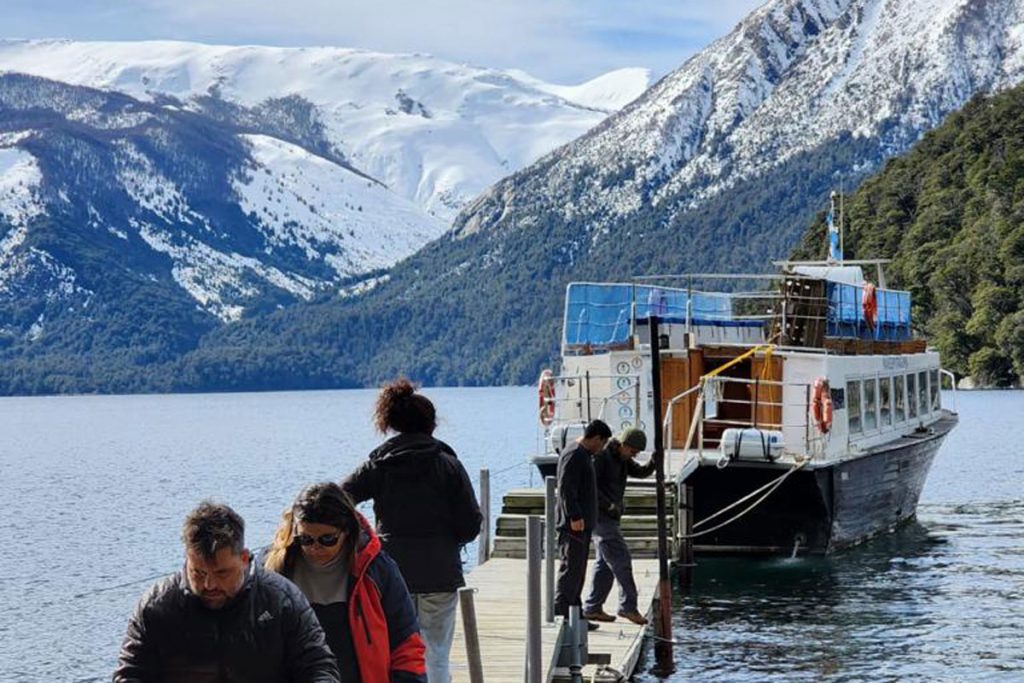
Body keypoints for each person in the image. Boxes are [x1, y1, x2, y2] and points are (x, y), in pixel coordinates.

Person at [342, 378, 482, 683]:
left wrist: (362, 540)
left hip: (389, 573)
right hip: (440, 571)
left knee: (394, 653)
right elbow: (471, 523)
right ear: (431, 425)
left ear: (392, 423)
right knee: (436, 654)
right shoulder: (448, 465)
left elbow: (338, 500)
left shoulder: (379, 465)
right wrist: (450, 539)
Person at [114, 501, 339, 683]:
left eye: (222, 573)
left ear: (244, 558)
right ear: (187, 558)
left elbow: (318, 666)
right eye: (198, 573)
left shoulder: (282, 600)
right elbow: (130, 673)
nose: (209, 585)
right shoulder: (156, 607)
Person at [263, 482, 427, 682]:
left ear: (347, 530)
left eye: (327, 539)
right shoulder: (272, 571)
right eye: (306, 539)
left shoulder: (378, 569)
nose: (315, 548)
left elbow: (407, 644)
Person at [583, 428, 656, 626]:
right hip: (600, 517)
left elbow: (640, 472)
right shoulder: (602, 457)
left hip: (610, 517)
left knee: (604, 564)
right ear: (623, 444)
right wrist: (608, 505)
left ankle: (592, 607)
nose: (634, 456)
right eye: (632, 451)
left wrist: (653, 462)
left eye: (637, 453)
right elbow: (590, 486)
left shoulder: (622, 457)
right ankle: (628, 606)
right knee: (621, 559)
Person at [553, 418, 612, 624]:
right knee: (570, 569)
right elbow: (566, 488)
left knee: (578, 571)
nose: (602, 448)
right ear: (596, 438)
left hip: (583, 524)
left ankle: (576, 616)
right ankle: (562, 613)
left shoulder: (583, 454)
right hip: (573, 525)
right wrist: (575, 516)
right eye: (603, 443)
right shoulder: (574, 454)